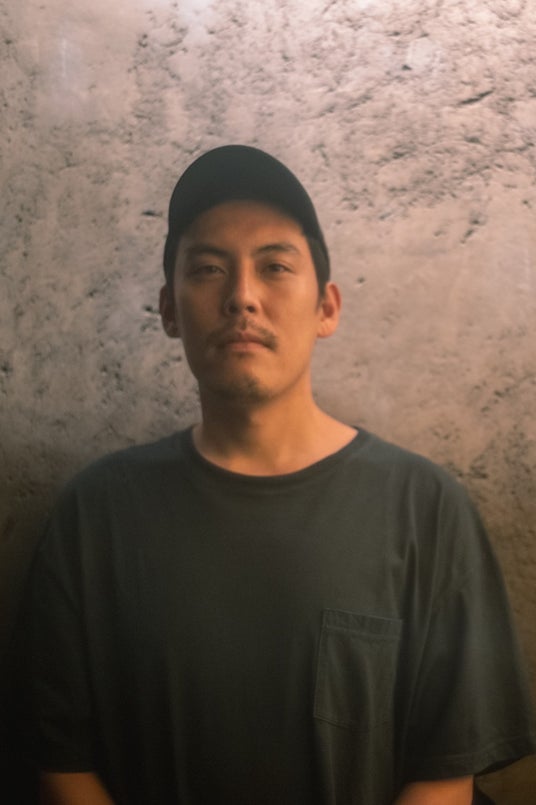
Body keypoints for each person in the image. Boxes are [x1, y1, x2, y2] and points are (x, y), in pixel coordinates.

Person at [16, 145, 536, 804]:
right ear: (169, 310)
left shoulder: (424, 509)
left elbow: (443, 777)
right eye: (208, 268)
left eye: (275, 267)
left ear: (327, 308)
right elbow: (62, 763)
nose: (242, 296)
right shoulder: (95, 515)